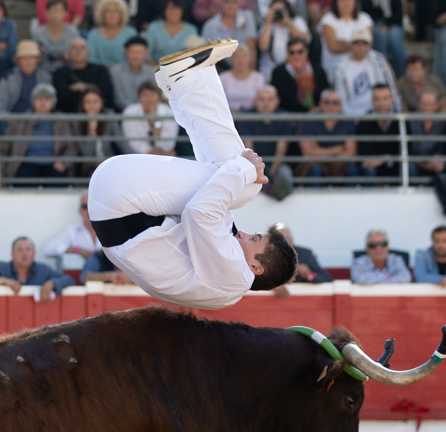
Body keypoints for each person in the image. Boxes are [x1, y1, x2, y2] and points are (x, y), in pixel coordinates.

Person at [87, 40, 298, 310]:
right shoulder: (228, 280)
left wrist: (247, 168)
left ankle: (186, 77)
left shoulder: (234, 277)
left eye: (254, 240)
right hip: (116, 199)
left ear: (256, 267)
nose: (244, 234)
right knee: (233, 178)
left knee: (246, 185)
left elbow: (199, 213)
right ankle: (183, 78)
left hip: (122, 201)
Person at [0, 83, 77, 185]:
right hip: (26, 163)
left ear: (53, 103)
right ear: (33, 101)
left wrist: (63, 162)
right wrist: (2, 173)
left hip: (53, 164)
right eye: (39, 99)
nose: (43, 103)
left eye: (47, 99)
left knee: (59, 183)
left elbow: (72, 147)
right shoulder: (20, 120)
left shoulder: (62, 120)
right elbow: (5, 147)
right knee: (23, 183)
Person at [0, 236, 75, 302]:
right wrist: (5, 281)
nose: (24, 253)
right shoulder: (1, 268)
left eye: (28, 250)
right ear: (12, 254)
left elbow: (69, 280)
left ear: (33, 255)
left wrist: (51, 283)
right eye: (19, 249)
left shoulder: (43, 270)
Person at [332, 28, 399, 115]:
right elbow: (340, 96)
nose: (360, 47)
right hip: (351, 114)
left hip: (378, 112)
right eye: (356, 43)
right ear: (350, 44)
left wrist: (396, 110)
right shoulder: (340, 66)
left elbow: (392, 87)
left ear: (370, 45)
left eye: (364, 43)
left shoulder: (378, 60)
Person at [243, 86, 295, 194]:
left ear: (277, 101)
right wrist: (260, 170)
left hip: (276, 164)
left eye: (270, 99)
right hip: (252, 163)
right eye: (262, 99)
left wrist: (271, 172)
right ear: (255, 101)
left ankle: (285, 207)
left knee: (286, 173)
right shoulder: (246, 117)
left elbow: (281, 150)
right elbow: (249, 149)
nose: (266, 103)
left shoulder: (284, 118)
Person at [299, 89, 357, 182]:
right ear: (320, 103)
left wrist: (318, 151)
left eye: (335, 103)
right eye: (327, 102)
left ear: (341, 104)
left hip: (339, 164)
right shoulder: (309, 120)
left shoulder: (348, 121)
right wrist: (338, 149)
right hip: (317, 163)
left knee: (352, 169)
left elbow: (351, 154)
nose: (331, 106)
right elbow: (308, 153)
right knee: (315, 169)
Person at [354, 84, 402, 183]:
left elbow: (403, 150)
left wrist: (384, 159)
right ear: (372, 101)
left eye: (385, 98)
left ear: (392, 99)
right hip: (372, 165)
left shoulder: (400, 121)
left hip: (394, 164)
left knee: (407, 168)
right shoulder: (364, 121)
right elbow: (364, 151)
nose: (381, 103)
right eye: (377, 99)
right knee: (368, 168)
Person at [54, 38, 115, 112]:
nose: (78, 51)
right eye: (74, 48)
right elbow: (62, 97)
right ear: (68, 53)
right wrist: (92, 88)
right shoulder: (60, 73)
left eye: (82, 48)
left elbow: (106, 93)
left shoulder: (100, 70)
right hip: (69, 114)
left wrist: (82, 87)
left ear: (88, 52)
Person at [74, 85, 122, 177]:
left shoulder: (110, 116)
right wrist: (92, 131)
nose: (92, 106)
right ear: (82, 104)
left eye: (95, 102)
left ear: (102, 102)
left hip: (108, 161)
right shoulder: (78, 121)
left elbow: (121, 142)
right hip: (88, 166)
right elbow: (87, 153)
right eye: (88, 102)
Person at [271, 36, 329, 112]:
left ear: (307, 51)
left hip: (316, 115)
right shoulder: (279, 73)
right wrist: (307, 111)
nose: (296, 56)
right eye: (292, 52)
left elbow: (325, 91)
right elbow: (284, 99)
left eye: (300, 52)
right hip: (289, 116)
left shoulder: (318, 70)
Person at [0, 40, 52, 115]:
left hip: (38, 120)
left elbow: (50, 105)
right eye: (24, 58)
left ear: (37, 60)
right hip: (13, 120)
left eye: (31, 58)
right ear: (18, 61)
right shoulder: (7, 78)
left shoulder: (46, 77)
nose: (28, 62)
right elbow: (0, 108)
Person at [319, 0, 373, 79]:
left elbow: (368, 45)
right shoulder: (328, 19)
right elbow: (333, 47)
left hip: (362, 69)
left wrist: (341, 43)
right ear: (336, 2)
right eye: (342, 1)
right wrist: (357, 44)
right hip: (334, 70)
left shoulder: (364, 19)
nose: (346, 3)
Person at [122, 81, 179, 156]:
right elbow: (134, 142)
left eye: (152, 94)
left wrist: (155, 122)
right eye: (145, 95)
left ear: (158, 97)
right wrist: (155, 153)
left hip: (163, 158)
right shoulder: (129, 112)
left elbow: (169, 144)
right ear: (139, 97)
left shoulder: (168, 112)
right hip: (137, 157)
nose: (149, 99)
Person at [43, 193, 103, 263]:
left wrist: (105, 251)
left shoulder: (110, 230)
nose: (89, 210)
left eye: (92, 206)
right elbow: (48, 250)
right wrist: (76, 250)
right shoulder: (72, 231)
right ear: (80, 211)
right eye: (85, 206)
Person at [256, 0, 310, 75]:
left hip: (293, 71)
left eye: (280, 10)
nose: (278, 13)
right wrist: (268, 23)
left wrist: (288, 24)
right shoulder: (267, 25)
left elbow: (306, 40)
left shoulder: (296, 21)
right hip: (271, 70)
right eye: (274, 10)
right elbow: (263, 46)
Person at [407, 89, 446, 180]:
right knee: (409, 168)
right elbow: (409, 152)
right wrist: (425, 165)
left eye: (430, 104)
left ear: (437, 105)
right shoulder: (409, 122)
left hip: (434, 162)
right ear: (418, 104)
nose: (427, 107)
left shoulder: (442, 123)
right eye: (424, 103)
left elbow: (443, 148)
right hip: (415, 163)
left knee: (445, 168)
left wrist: (436, 161)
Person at [109, 36, 156, 112]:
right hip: (123, 113)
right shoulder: (115, 71)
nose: (136, 56)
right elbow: (118, 99)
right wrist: (135, 111)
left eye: (140, 52)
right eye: (132, 52)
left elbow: (154, 96)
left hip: (148, 112)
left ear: (146, 53)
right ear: (125, 52)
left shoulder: (152, 72)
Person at [87, 0, 138, 67]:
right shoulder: (93, 35)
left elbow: (135, 57)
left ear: (122, 14)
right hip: (99, 73)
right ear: (102, 14)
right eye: (108, 11)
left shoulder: (131, 33)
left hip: (126, 72)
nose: (112, 15)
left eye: (116, 11)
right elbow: (91, 59)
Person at [33, 0, 81, 70]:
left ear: (66, 13)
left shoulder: (73, 33)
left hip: (67, 71)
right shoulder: (38, 34)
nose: (56, 15)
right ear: (47, 12)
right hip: (44, 71)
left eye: (59, 11)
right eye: (52, 11)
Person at [219, 43, 264, 111]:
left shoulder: (258, 77)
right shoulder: (223, 77)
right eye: (237, 56)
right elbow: (219, 100)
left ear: (250, 59)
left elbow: (261, 100)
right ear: (231, 59)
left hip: (252, 116)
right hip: (228, 115)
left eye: (244, 56)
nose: (241, 60)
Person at [366, 0, 404, 76]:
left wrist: (387, 25)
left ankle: (405, 73)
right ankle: (383, 72)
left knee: (394, 39)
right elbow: (365, 15)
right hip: (373, 24)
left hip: (393, 24)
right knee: (381, 37)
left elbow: (399, 15)